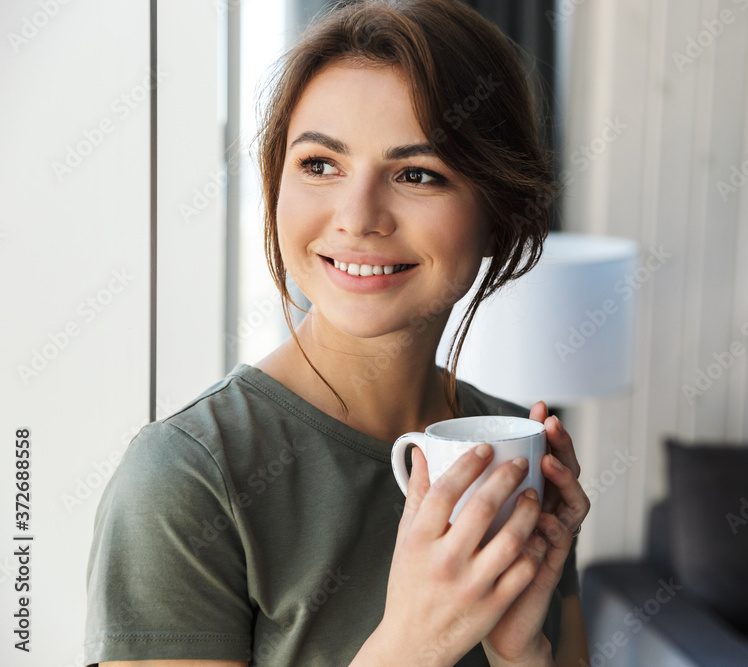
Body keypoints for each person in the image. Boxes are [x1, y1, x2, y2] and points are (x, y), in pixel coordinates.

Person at [82, 1, 592, 665]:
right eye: (320, 164)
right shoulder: (188, 478)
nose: (357, 217)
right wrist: (416, 642)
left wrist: (523, 651)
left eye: (417, 174)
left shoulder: (511, 455)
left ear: (497, 210)